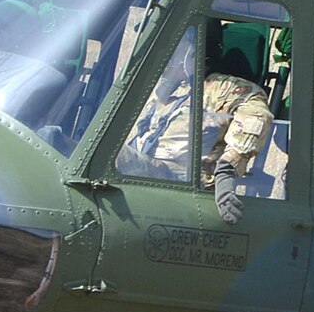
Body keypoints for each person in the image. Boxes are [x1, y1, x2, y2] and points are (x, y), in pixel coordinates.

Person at [116, 30, 274, 225]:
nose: (166, 55)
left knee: (110, 155)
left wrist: (226, 171)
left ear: (193, 51)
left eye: (174, 47)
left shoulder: (224, 88)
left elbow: (257, 116)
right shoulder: (171, 88)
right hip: (143, 174)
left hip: (179, 180)